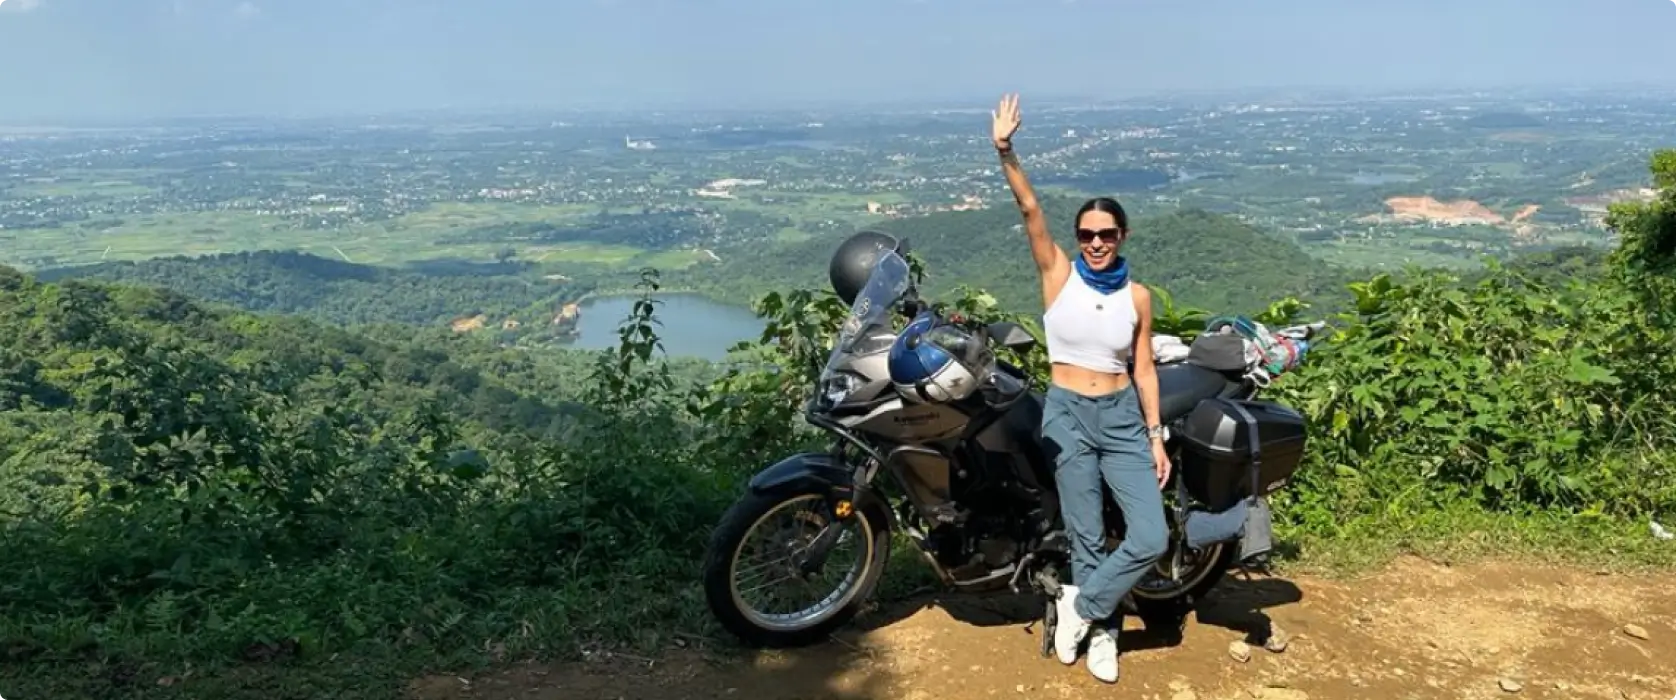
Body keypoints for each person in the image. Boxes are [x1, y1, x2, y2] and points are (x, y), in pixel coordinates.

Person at [990, 93, 1170, 683]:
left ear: (1123, 235)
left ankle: (1083, 608)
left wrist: (1155, 435)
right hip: (1067, 412)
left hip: (1121, 413)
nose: (1096, 242)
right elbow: (1029, 210)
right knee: (1088, 536)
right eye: (1087, 233)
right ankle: (1105, 638)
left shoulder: (1136, 297)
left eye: (1107, 233)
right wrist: (1006, 150)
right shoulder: (1058, 275)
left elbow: (1144, 368)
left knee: (1149, 534)